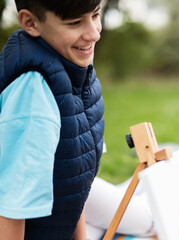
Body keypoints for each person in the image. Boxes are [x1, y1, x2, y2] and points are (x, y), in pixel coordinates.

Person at [0, 0, 104, 239]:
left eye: (95, 15)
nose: (94, 33)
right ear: (30, 23)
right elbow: (10, 209)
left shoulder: (73, 71)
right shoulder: (33, 98)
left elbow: (74, 185)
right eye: (75, 22)